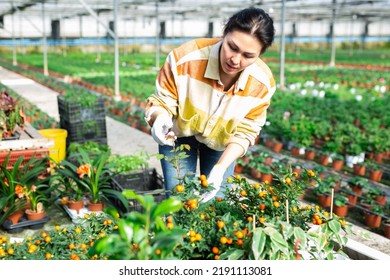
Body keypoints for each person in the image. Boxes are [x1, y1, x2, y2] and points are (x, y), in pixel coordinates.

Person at [144, 7, 276, 202]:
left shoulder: (262, 84)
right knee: (179, 199)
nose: (235, 60)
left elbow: (246, 131)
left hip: (221, 142)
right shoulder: (184, 59)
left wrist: (221, 168)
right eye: (232, 47)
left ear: (260, 53)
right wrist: (159, 119)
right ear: (224, 33)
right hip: (178, 134)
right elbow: (163, 100)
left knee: (217, 201)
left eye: (248, 56)